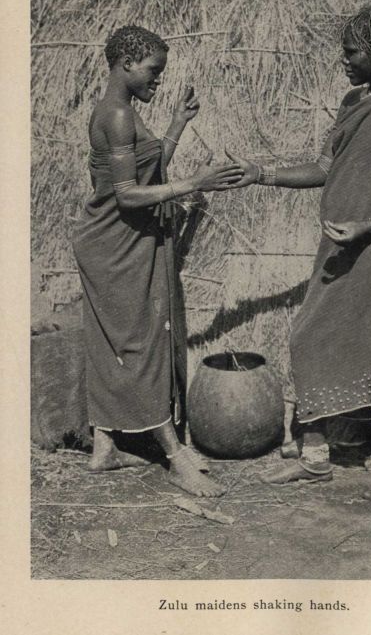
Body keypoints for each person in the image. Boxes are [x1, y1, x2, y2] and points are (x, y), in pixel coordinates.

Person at [227, 7, 371, 502]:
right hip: (344, 245)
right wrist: (262, 173)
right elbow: (325, 167)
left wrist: (369, 224)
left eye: (351, 51)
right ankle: (316, 460)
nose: (343, 60)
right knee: (311, 334)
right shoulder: (353, 102)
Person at [72, 25, 244, 496]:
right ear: (126, 63)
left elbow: (144, 167)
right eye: (154, 71)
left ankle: (105, 449)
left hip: (122, 241)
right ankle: (173, 455)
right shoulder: (117, 115)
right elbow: (128, 196)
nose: (159, 80)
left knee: (118, 342)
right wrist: (196, 183)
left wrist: (176, 125)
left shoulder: (123, 112)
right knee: (138, 344)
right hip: (114, 244)